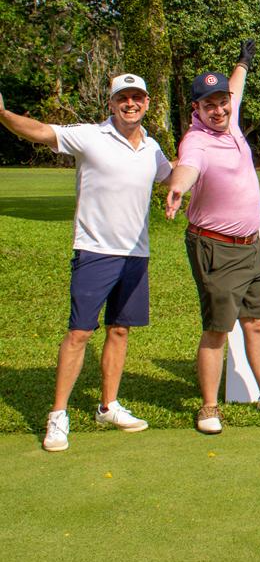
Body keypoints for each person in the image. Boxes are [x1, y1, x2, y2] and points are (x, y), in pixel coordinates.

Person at [0, 74, 172, 451]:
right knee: (79, 333)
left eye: (137, 97)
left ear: (146, 103)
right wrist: (4, 114)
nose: (130, 104)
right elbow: (40, 132)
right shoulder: (90, 136)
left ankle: (108, 406)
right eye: (123, 98)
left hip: (136, 254)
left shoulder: (152, 148)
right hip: (94, 251)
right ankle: (58, 415)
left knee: (120, 330)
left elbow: (172, 177)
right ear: (111, 104)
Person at [165, 40, 260, 434]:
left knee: (254, 323)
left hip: (251, 246)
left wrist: (243, 61)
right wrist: (178, 187)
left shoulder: (230, 118)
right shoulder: (197, 141)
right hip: (216, 247)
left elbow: (236, 85)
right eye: (210, 105)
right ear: (197, 109)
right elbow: (188, 167)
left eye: (223, 102)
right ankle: (208, 407)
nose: (219, 109)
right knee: (217, 329)